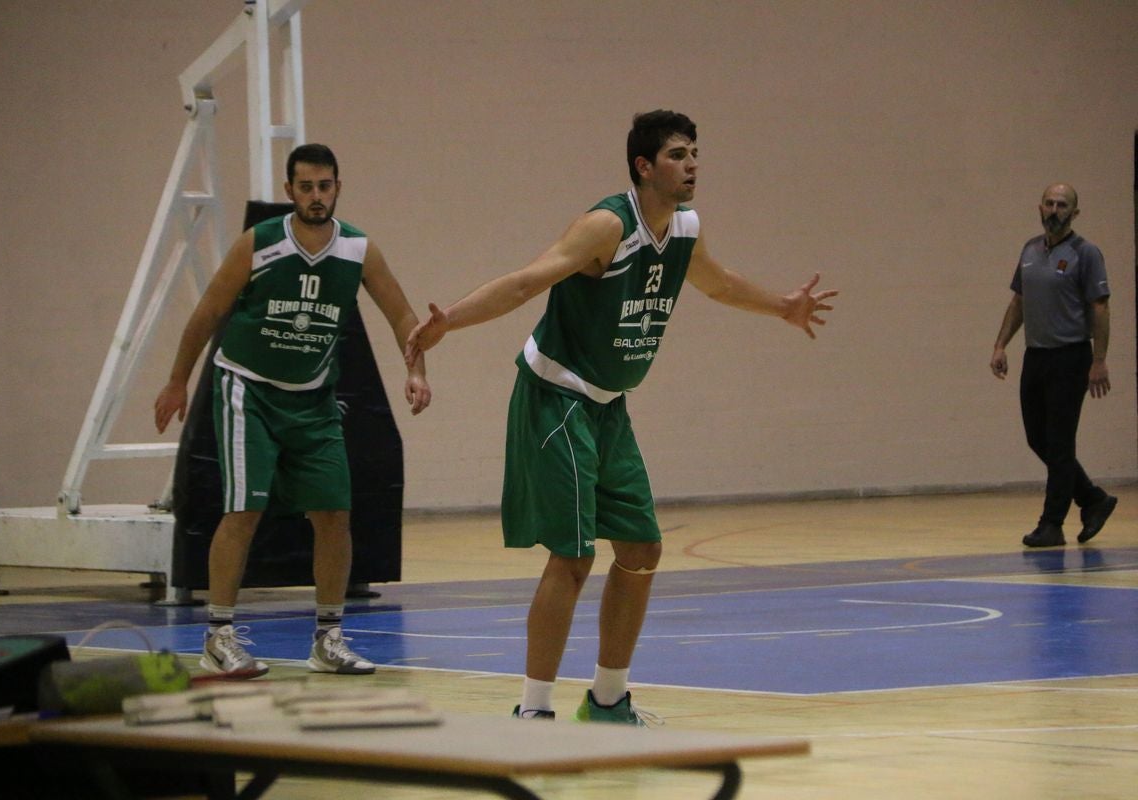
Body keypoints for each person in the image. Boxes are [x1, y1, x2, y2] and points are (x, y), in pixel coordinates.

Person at [406, 110, 837, 723]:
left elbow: (718, 284)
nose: (692, 165)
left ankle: (607, 700)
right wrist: (450, 320)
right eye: (678, 155)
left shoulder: (685, 227)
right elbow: (527, 282)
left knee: (641, 547)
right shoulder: (606, 225)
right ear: (644, 166)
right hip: (557, 397)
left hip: (609, 406)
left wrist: (782, 307)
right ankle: (532, 711)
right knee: (574, 555)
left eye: (695, 154)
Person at [155, 143, 431, 677]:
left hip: (314, 398)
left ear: (338, 188)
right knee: (243, 511)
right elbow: (208, 311)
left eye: (325, 186)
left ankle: (328, 638)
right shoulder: (258, 243)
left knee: (334, 514)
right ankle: (218, 636)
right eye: (305, 187)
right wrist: (176, 381)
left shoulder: (357, 249)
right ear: (290, 192)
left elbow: (401, 314)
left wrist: (416, 371)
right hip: (248, 390)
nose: (316, 196)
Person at [990, 183, 1116, 548]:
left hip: (1070, 356)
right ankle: (1093, 498)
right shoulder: (1029, 249)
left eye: (1063, 205)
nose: (1054, 209)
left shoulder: (1086, 253)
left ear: (1074, 213)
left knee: (1060, 443)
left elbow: (1100, 308)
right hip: (1036, 356)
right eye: (1049, 203)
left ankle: (1052, 524)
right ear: (1039, 207)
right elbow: (1018, 301)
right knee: (1038, 438)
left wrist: (1099, 360)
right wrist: (1000, 344)